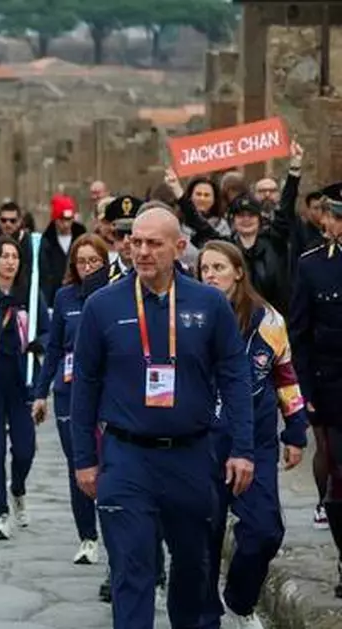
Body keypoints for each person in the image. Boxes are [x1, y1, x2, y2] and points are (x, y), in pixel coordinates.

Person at [70, 208, 255, 629]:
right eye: (136, 242)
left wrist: (242, 448)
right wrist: (84, 458)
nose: (142, 251)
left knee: (192, 569)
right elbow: (85, 385)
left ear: (179, 247)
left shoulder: (208, 304)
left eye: (153, 243)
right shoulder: (103, 305)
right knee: (131, 572)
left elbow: (234, 375)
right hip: (125, 457)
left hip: (189, 457)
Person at [197, 240, 307, 629]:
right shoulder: (191, 316)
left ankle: (240, 601)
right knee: (203, 537)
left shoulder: (268, 321)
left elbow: (286, 377)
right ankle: (205, 615)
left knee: (265, 532)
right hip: (203, 442)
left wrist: (295, 431)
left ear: (239, 272)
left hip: (255, 441)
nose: (210, 276)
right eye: (204, 269)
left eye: (219, 268)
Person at [32, 233, 110, 565]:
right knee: (77, 464)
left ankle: (112, 534)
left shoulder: (113, 296)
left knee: (108, 466)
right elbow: (52, 350)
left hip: (105, 394)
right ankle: (87, 537)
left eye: (94, 261)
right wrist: (40, 393)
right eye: (82, 262)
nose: (88, 267)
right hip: (68, 392)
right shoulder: (64, 298)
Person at [288, 190, 342, 597]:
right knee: (339, 480)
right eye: (335, 218)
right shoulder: (312, 268)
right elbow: (300, 334)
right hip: (331, 388)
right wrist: (304, 390)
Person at [0, 236, 49, 541]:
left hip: (22, 385)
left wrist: (40, 345)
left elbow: (49, 331)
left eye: (15, 256)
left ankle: (17, 489)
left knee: (24, 451)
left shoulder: (30, 295)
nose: (9, 261)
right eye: (4, 256)